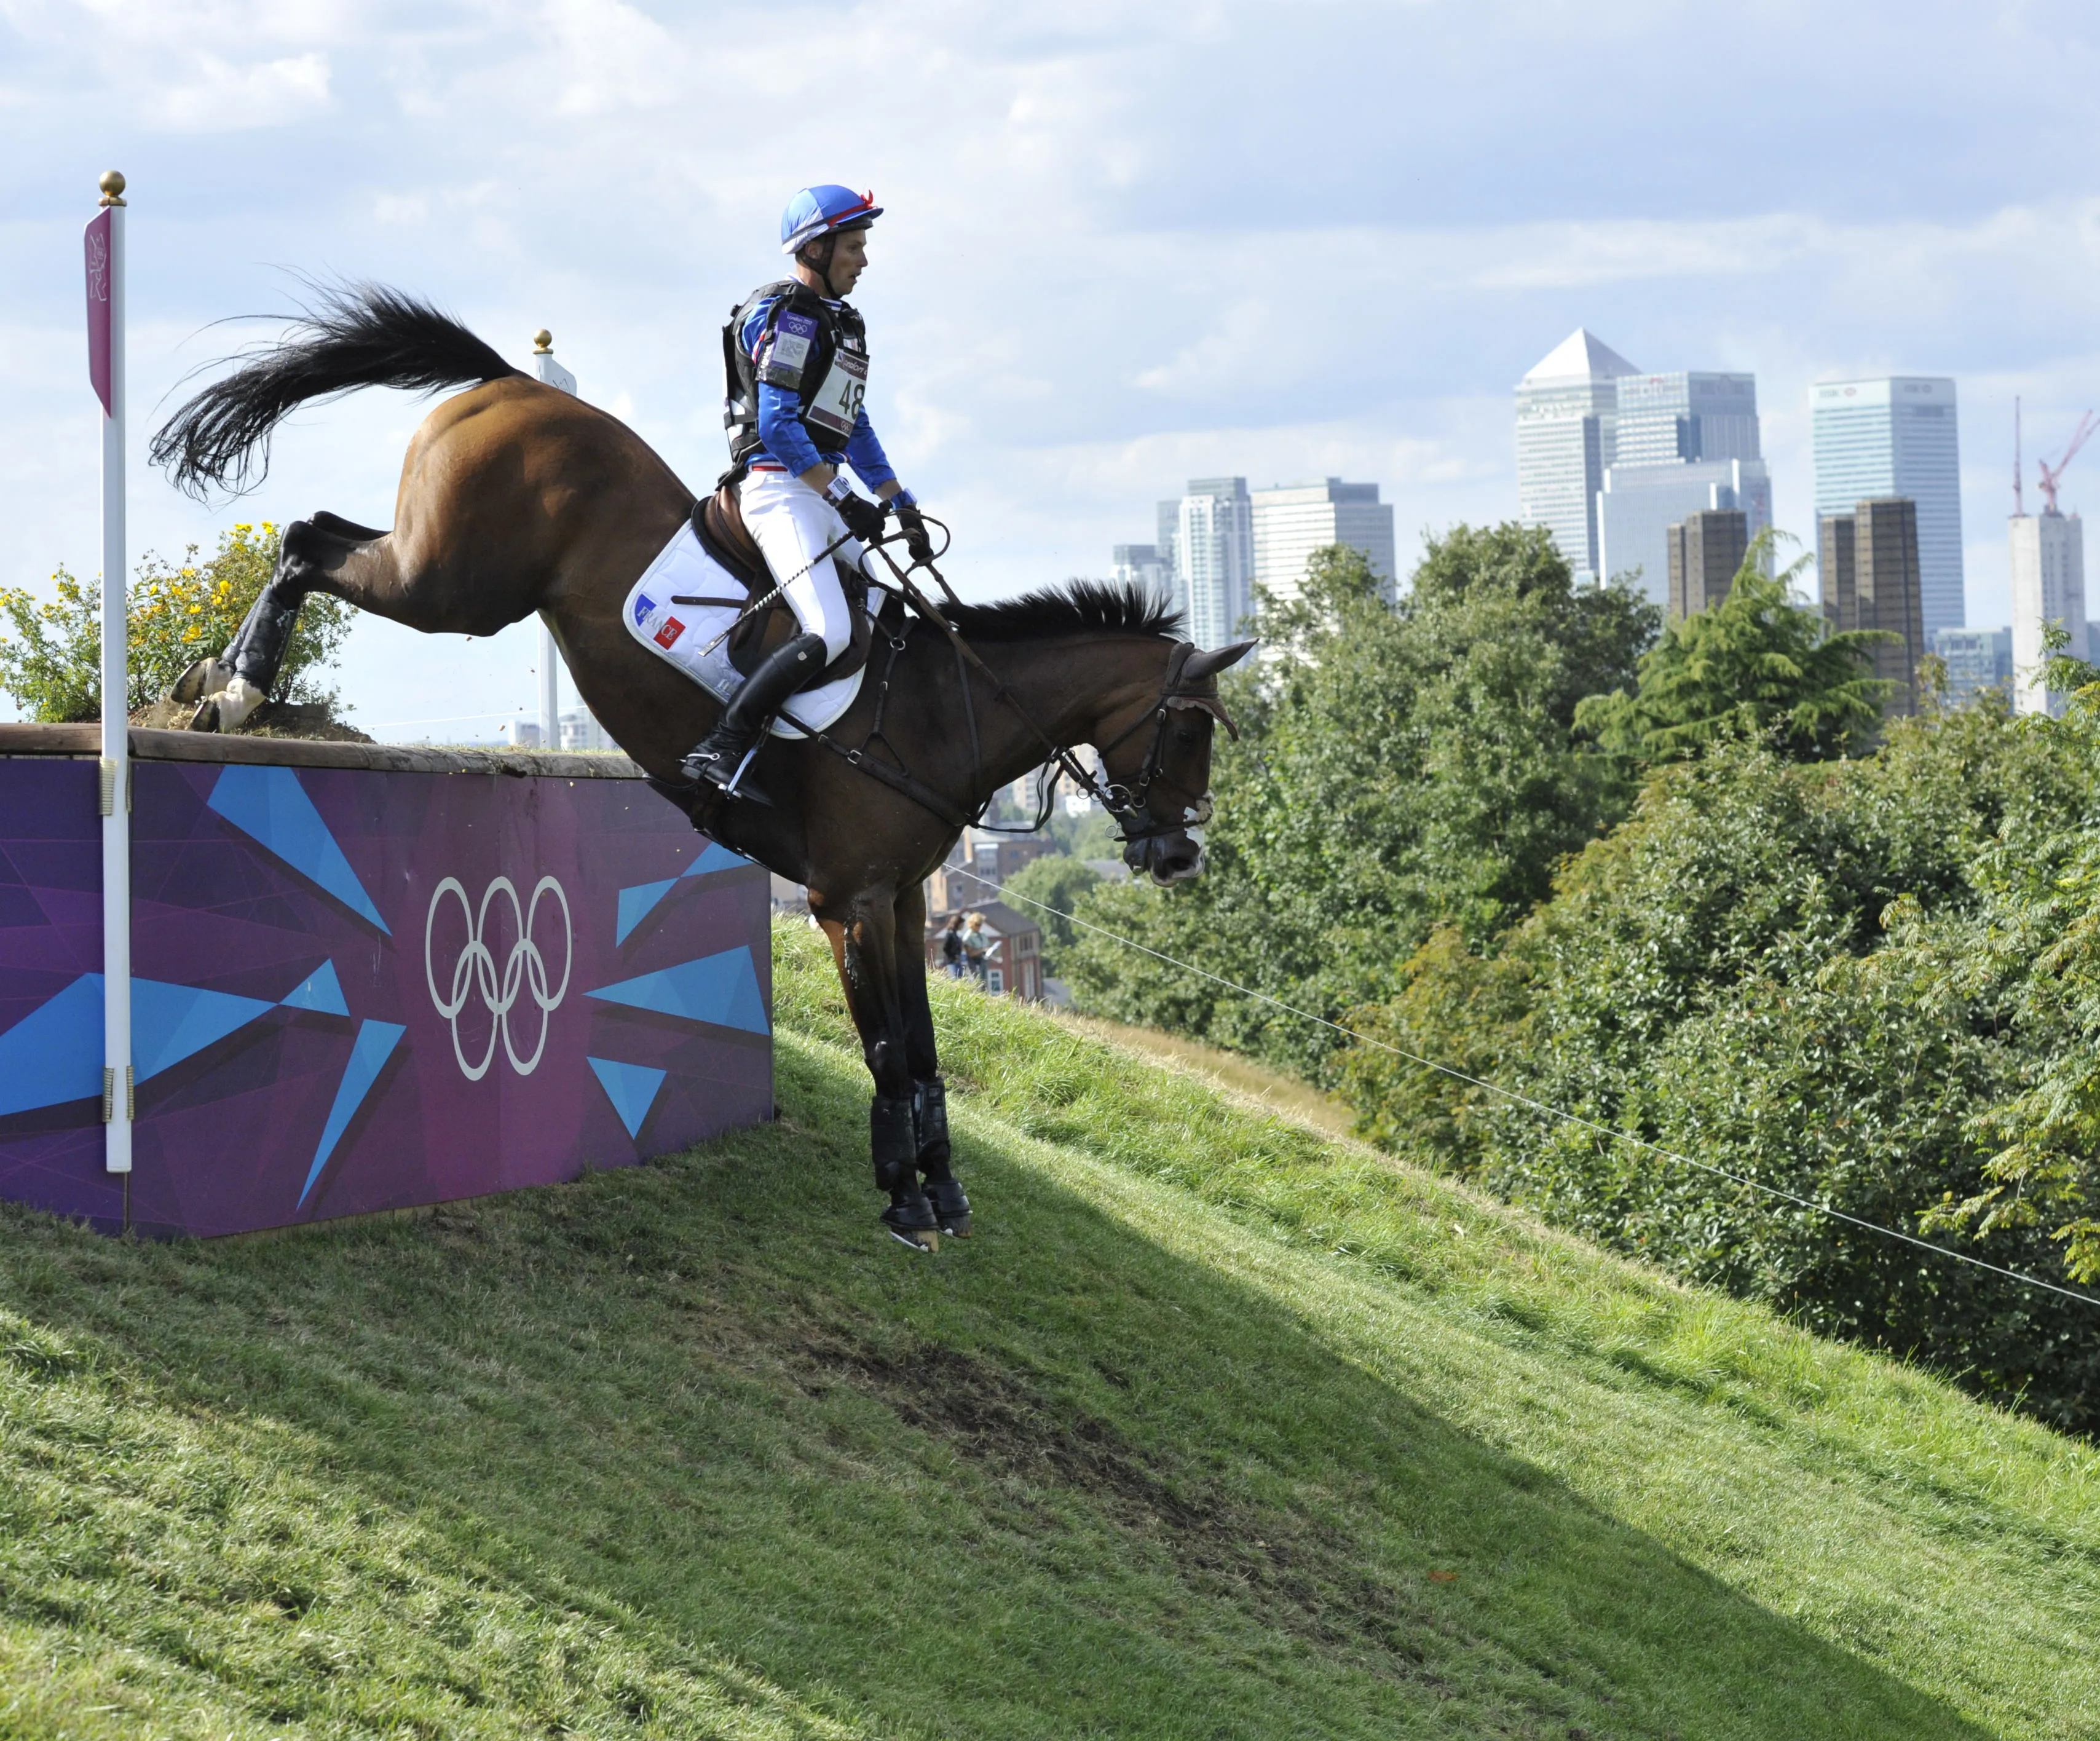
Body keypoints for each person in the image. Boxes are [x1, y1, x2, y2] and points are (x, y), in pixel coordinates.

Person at [681, 185, 937, 800]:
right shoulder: (792, 316)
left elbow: (854, 426)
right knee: (830, 630)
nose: (864, 260)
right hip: (779, 491)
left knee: (887, 611)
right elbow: (776, 424)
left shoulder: (842, 325)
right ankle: (722, 743)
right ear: (816, 249)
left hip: (817, 491)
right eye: (853, 247)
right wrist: (841, 495)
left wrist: (899, 500)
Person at [961, 912, 990, 989]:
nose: (979, 927)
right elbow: (970, 953)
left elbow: (986, 945)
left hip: (983, 961)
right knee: (977, 984)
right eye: (977, 924)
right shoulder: (968, 937)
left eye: (980, 924)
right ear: (971, 924)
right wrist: (982, 950)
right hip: (973, 963)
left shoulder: (982, 934)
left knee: (984, 984)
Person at [940, 913, 966, 979]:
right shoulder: (950, 934)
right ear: (958, 924)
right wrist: (953, 957)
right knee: (955, 979)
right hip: (951, 962)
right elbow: (945, 948)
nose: (963, 926)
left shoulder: (955, 934)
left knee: (960, 980)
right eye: (962, 925)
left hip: (957, 961)